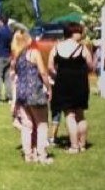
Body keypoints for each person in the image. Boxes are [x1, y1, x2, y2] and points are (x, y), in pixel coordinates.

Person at [49, 23, 94, 153]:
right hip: (80, 83)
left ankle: (74, 146)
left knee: (69, 115)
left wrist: (59, 74)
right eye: (79, 32)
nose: (81, 34)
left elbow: (50, 66)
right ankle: (82, 144)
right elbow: (91, 66)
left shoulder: (56, 47)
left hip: (63, 83)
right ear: (72, 33)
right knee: (80, 114)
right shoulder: (83, 48)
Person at [11, 31, 53, 164]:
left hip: (22, 94)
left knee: (27, 125)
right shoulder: (34, 53)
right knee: (42, 124)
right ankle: (42, 155)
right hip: (35, 92)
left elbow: (15, 77)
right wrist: (49, 87)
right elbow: (43, 72)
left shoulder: (16, 58)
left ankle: (28, 155)